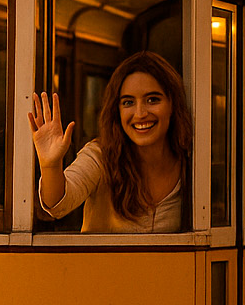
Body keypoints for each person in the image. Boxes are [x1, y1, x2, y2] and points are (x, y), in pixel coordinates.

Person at [29, 50, 191, 233]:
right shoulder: (99, 155)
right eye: (128, 102)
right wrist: (50, 164)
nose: (140, 114)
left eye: (152, 100)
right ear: (117, 111)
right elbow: (58, 204)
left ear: (173, 104)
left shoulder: (189, 163)